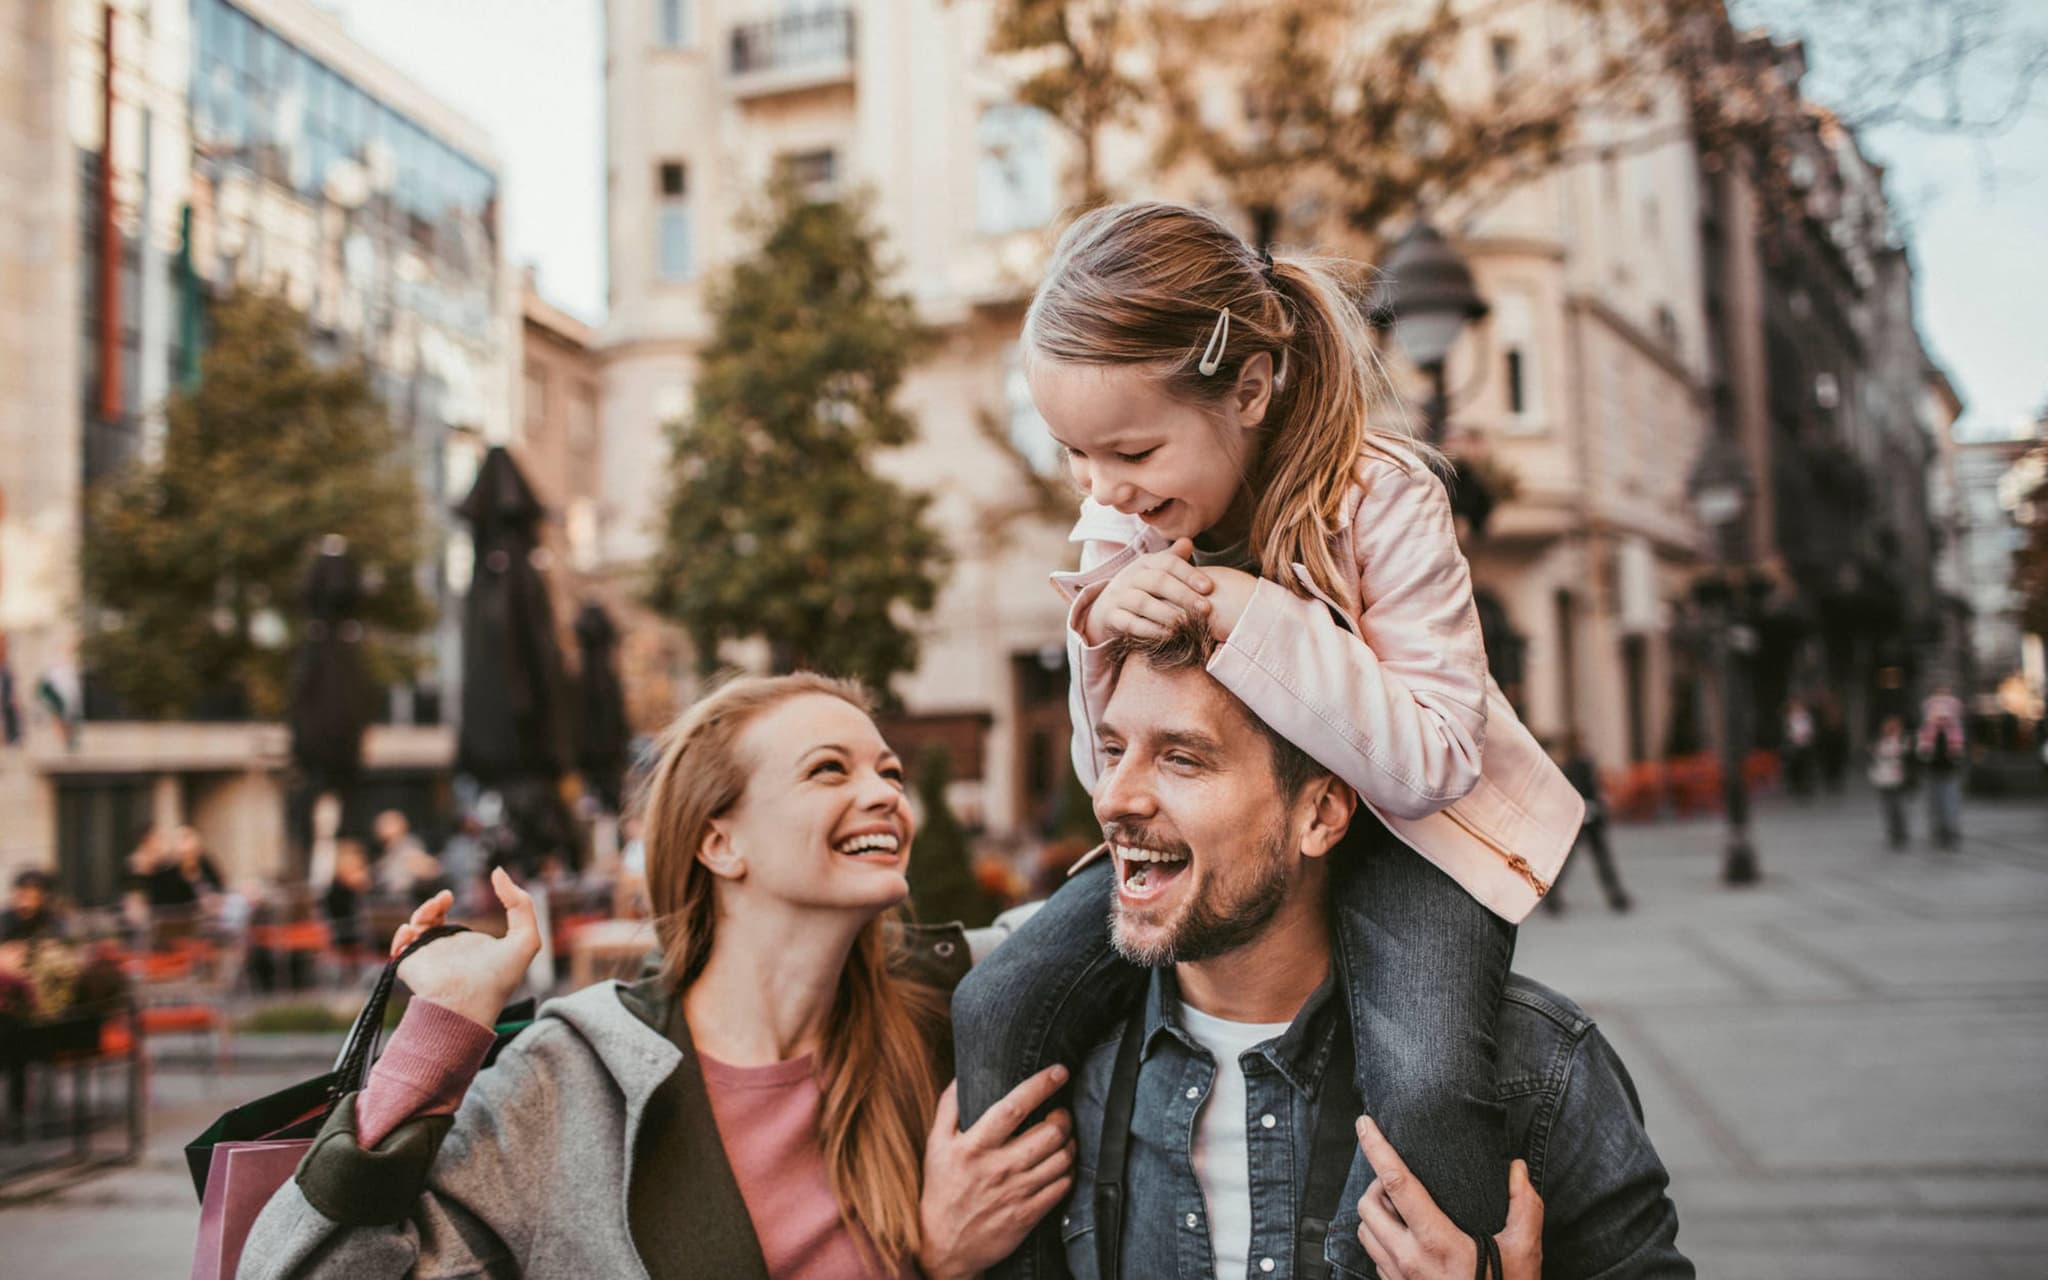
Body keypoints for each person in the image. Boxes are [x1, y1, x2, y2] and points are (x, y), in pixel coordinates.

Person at [955, 201, 1585, 1251]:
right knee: (995, 1003)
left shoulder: (1382, 496)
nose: (1102, 490)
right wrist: (1097, 629)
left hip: (1408, 846)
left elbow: (1432, 758)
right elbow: (1106, 774)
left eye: (1130, 449)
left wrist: (1247, 611)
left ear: (1246, 389)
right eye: (1073, 455)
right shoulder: (1126, 510)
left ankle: (1461, 1258)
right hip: (1222, 831)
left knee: (1424, 1081)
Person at [242, 674, 1075, 1278]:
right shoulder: (575, 1082)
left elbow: (1125, 893)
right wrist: (439, 1035)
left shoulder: (958, 998)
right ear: (720, 843)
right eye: (831, 769)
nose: (886, 795)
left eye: (889, 773)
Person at [982, 618, 1688, 1278]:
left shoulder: (1535, 1068)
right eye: (1112, 750)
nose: (1113, 798)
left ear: (1319, 814)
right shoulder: (1062, 1059)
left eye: (1182, 759)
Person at [1543, 731, 1632, 914]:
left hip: (1584, 818)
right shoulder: (1578, 764)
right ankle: (1615, 896)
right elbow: (1583, 790)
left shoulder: (1572, 764)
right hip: (1585, 817)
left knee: (1590, 859)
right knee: (1595, 859)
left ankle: (1615, 896)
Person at [1917, 686, 1966, 849]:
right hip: (1933, 771)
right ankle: (1940, 832)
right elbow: (1923, 750)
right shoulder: (1928, 730)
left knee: (1949, 802)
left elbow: (1958, 749)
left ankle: (1949, 832)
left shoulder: (1954, 730)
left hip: (1949, 771)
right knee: (1936, 803)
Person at [147, 824, 224, 910]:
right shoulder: (166, 878)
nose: (190, 860)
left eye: (193, 852)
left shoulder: (207, 867)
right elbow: (165, 908)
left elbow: (220, 889)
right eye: (186, 854)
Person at [1868, 716, 1913, 849]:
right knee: (1887, 807)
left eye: (1893, 727)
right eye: (1887, 727)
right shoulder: (1881, 741)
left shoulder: (1902, 740)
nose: (1889, 729)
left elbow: (1901, 753)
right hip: (1883, 779)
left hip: (1897, 779)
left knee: (1897, 806)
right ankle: (1893, 832)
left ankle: (1900, 832)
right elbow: (1876, 756)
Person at [0, 869, 62, 943]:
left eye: (31, 898)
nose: (24, 904)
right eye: (21, 896)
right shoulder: (5, 921)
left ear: (43, 898)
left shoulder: (53, 922)